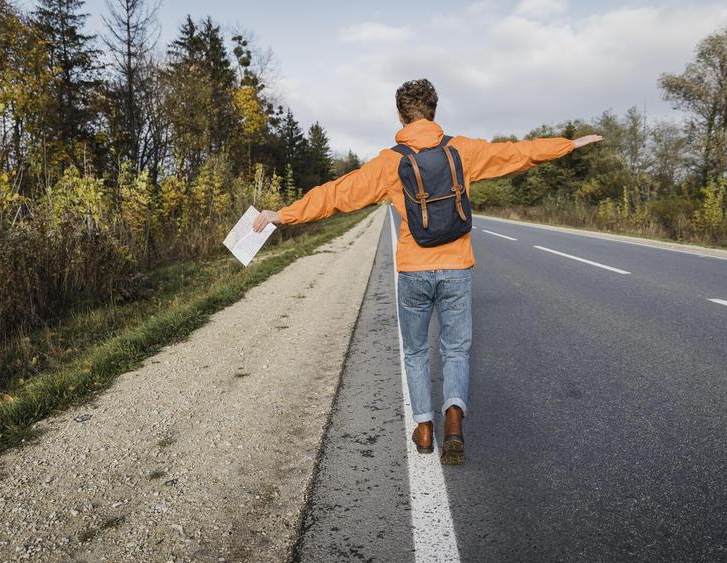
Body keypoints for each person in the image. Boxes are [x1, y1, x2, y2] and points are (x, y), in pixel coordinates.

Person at [253, 79, 603, 465]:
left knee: (416, 351)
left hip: (414, 269)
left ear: (400, 115)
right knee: (455, 350)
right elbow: (518, 153)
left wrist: (282, 215)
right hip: (456, 266)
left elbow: (337, 194)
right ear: (435, 110)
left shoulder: (390, 161)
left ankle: (423, 428)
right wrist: (568, 145)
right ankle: (454, 419)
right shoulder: (463, 150)